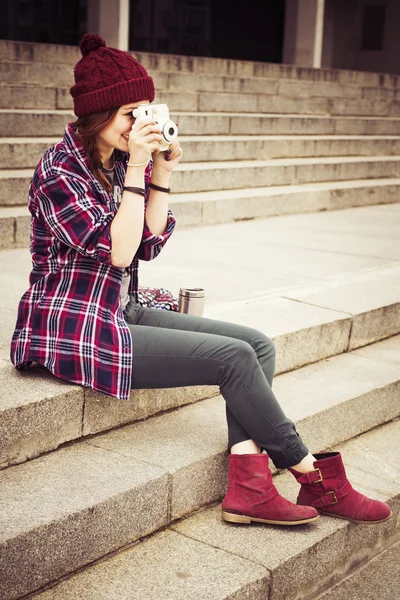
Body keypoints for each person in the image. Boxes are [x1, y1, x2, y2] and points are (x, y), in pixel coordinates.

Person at [10, 34, 391, 527]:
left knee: (257, 345)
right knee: (232, 359)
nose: (141, 124)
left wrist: (161, 172)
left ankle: (249, 485)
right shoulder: (59, 170)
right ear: (97, 116)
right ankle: (311, 475)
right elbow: (119, 250)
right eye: (131, 114)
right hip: (70, 324)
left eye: (147, 110)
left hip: (118, 307)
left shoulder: (120, 162)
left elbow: (147, 242)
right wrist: (140, 170)